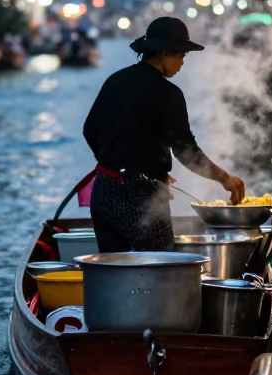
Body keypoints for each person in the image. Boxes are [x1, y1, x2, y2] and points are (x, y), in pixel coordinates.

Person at [83, 16, 245, 252]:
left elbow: (90, 130)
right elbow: (186, 151)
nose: (182, 63)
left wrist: (124, 165)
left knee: (114, 271)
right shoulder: (168, 93)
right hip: (141, 198)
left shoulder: (115, 80)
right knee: (159, 270)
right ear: (166, 53)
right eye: (181, 55)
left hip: (104, 191)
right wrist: (225, 179)